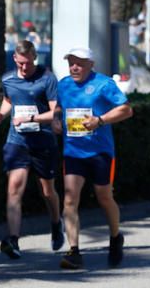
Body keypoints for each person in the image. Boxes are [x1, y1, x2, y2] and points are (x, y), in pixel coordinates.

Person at [55, 47, 133, 269]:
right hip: (73, 151)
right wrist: (56, 120)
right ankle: (74, 252)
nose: (74, 67)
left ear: (91, 64)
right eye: (71, 62)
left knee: (104, 197)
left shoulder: (104, 84)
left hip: (100, 152)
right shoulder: (64, 84)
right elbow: (59, 107)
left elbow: (126, 110)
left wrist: (99, 120)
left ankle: (116, 237)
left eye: (79, 63)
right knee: (70, 199)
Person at [0, 40, 64, 258]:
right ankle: (13, 240)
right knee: (14, 188)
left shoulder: (47, 79)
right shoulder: (8, 79)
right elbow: (8, 101)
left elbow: (54, 113)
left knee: (47, 191)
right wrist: (0, 115)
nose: (24, 68)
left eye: (28, 63)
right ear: (15, 59)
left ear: (34, 59)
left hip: (43, 143)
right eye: (20, 63)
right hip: (17, 141)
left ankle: (56, 222)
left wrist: (31, 118)